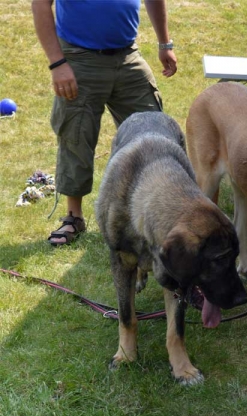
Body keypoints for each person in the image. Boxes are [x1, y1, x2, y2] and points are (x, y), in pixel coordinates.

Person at [32, 0, 178, 246]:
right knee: (76, 135)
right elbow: (40, 5)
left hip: (127, 55)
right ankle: (73, 217)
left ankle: (153, 211)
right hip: (79, 58)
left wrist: (164, 43)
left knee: (154, 130)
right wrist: (57, 63)